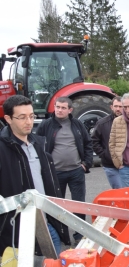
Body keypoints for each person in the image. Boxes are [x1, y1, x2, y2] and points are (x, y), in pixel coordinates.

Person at [0, 95, 70, 255]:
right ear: (8, 119)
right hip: (17, 232)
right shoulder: (2, 149)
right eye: (22, 117)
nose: (29, 122)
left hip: (48, 225)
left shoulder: (39, 144)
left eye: (31, 116)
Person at [36, 97, 93, 241]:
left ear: (70, 110)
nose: (59, 110)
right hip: (55, 173)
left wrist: (86, 163)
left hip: (76, 171)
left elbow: (88, 144)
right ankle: (62, 236)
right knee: (57, 206)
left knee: (79, 204)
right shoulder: (46, 125)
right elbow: (37, 146)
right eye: (57, 107)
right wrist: (44, 168)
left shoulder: (77, 125)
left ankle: (80, 234)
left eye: (63, 108)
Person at [92, 96, 123, 189]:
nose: (118, 109)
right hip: (111, 165)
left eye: (120, 106)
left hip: (127, 166)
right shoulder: (102, 123)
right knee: (119, 191)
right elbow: (94, 141)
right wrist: (104, 155)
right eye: (116, 106)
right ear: (111, 107)